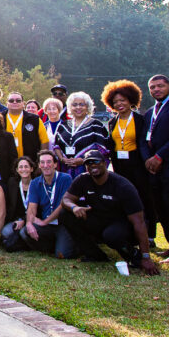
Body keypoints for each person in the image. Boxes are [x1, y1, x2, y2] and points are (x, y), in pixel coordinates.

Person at [61, 150, 159, 275]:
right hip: (99, 219)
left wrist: (146, 256)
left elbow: (139, 222)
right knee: (65, 214)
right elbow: (66, 200)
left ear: (104, 163)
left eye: (96, 161)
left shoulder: (122, 185)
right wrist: (74, 207)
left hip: (122, 223)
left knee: (111, 235)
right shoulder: (83, 179)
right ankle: (95, 254)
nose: (92, 165)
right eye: (88, 163)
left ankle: (134, 255)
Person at [101, 79, 157, 246]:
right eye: (116, 101)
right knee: (124, 198)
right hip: (119, 164)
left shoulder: (141, 120)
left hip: (138, 164)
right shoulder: (112, 122)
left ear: (131, 101)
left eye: (123, 100)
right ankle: (130, 233)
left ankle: (150, 235)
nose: (119, 104)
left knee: (144, 197)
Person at [21, 149, 75, 258]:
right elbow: (31, 208)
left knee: (63, 255)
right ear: (39, 165)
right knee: (25, 232)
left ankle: (67, 245)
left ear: (55, 164)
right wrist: (29, 223)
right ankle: (52, 247)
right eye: (42, 162)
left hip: (62, 224)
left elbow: (62, 205)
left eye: (49, 162)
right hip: (47, 225)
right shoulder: (35, 182)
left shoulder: (65, 179)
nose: (46, 165)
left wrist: (45, 221)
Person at [52, 91, 108, 179]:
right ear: (70, 107)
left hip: (87, 170)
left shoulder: (96, 125)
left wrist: (83, 160)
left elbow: (102, 150)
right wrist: (62, 159)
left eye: (82, 104)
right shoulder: (64, 125)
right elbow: (56, 145)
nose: (78, 107)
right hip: (64, 169)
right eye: (74, 105)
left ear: (88, 106)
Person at [143, 74, 169, 259]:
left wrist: (160, 156)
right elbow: (143, 139)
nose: (156, 90)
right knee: (161, 207)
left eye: (160, 86)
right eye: (152, 87)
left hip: (166, 164)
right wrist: (148, 159)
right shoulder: (149, 112)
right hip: (153, 169)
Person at [1, 156, 35, 252]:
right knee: (5, 232)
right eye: (20, 167)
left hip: (33, 219)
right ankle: (20, 241)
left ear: (31, 168)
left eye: (26, 166)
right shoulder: (12, 182)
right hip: (17, 220)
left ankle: (21, 242)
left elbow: (39, 208)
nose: (23, 169)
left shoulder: (37, 183)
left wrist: (24, 221)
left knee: (25, 232)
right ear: (16, 170)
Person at [4, 92, 49, 159]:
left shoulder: (34, 119)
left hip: (29, 163)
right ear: (7, 104)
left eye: (18, 100)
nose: (15, 102)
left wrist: (41, 160)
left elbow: (44, 141)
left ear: (23, 104)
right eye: (11, 100)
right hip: (4, 162)